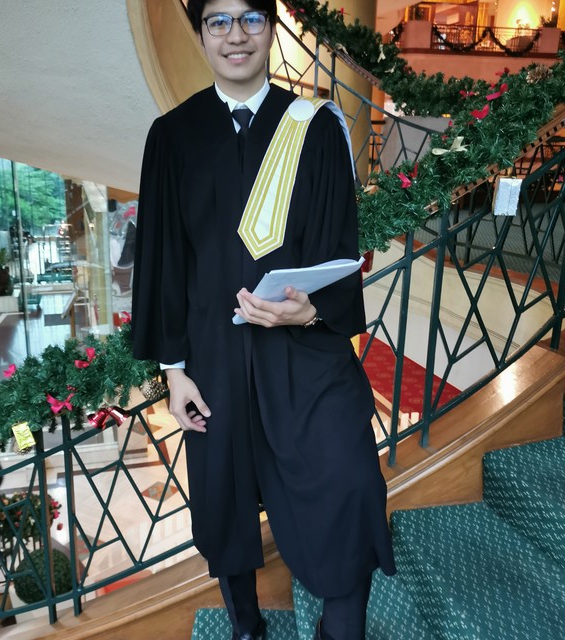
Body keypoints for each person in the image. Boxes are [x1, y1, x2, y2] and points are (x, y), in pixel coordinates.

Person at [131, 1, 396, 638]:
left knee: (349, 482)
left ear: (272, 29)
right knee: (224, 503)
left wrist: (313, 310)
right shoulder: (172, 136)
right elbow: (165, 262)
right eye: (218, 21)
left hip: (306, 357)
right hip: (214, 359)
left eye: (251, 18)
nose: (236, 35)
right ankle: (246, 626)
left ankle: (342, 627)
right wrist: (174, 370)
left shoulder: (314, 127)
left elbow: (338, 245)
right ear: (201, 34)